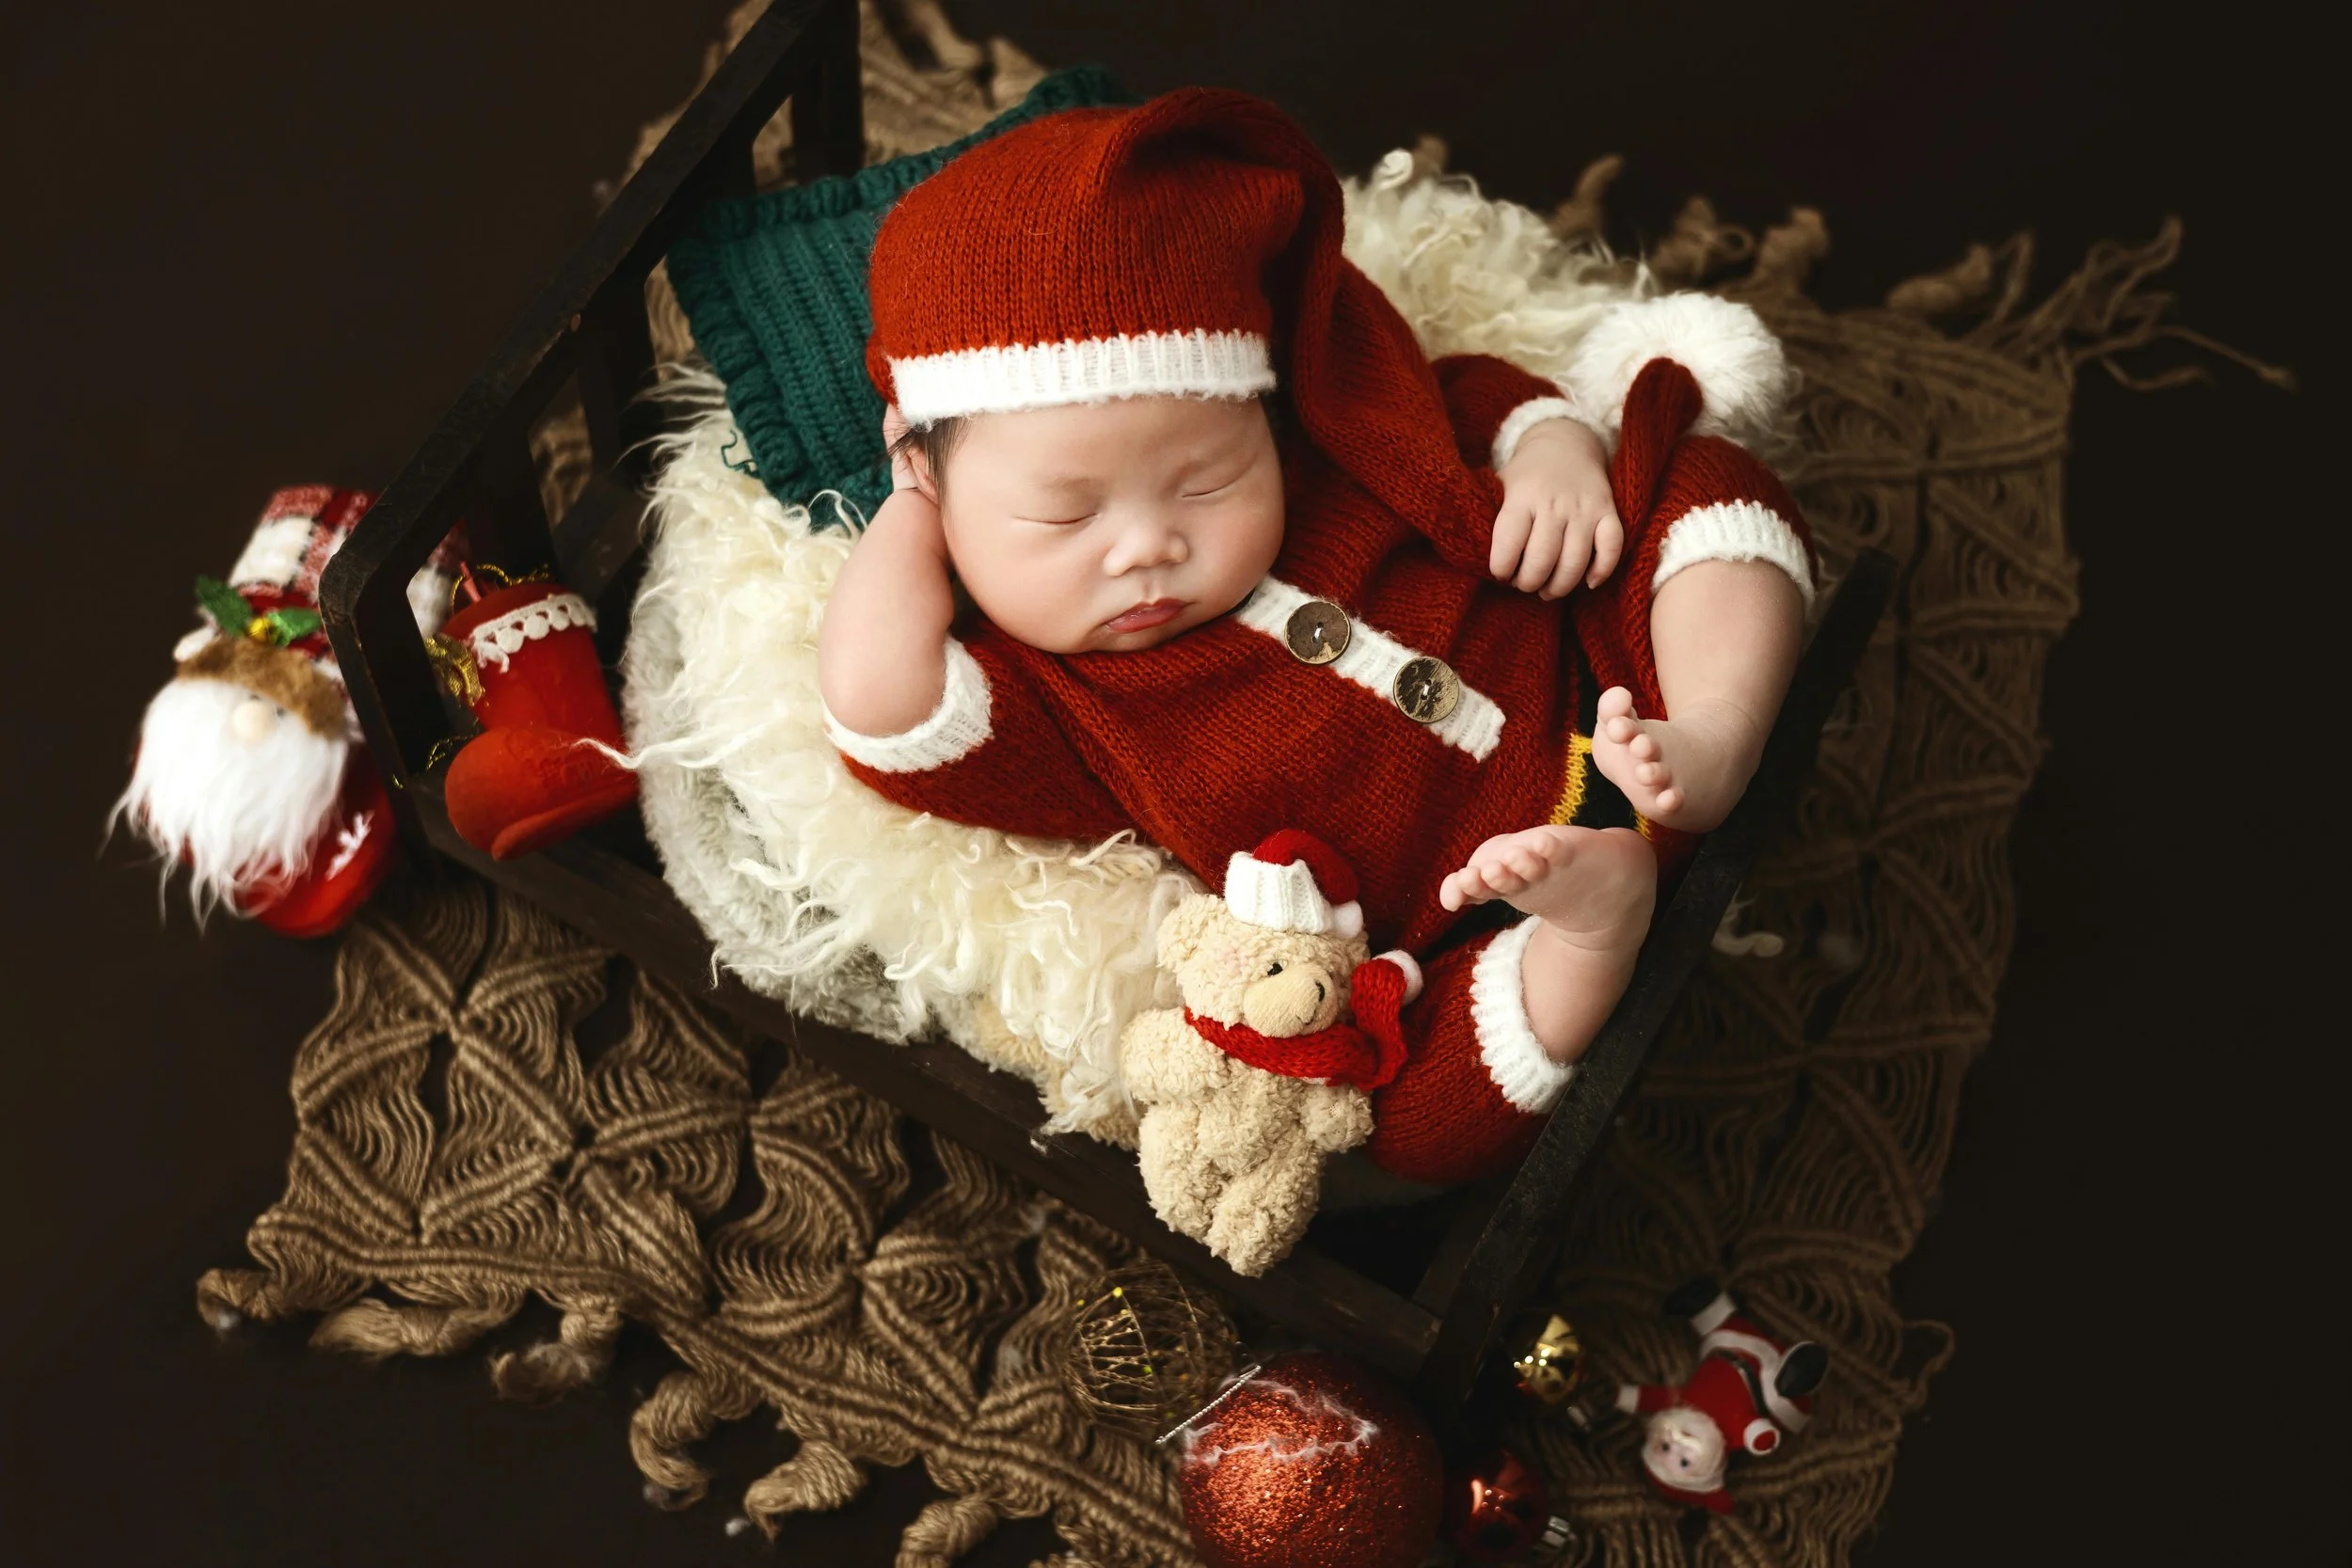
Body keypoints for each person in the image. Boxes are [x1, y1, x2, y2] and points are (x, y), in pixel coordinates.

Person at [817, 88, 1812, 1183]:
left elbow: (1472, 398)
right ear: (926, 467)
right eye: (1064, 514)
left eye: (1207, 479)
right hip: (1479, 919)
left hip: (1616, 669)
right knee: (1410, 1125)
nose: (1147, 546)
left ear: (1266, 413)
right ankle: (1596, 931)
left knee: (1709, 492)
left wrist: (1553, 454)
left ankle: (1718, 735)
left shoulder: (1339, 447)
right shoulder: (1056, 707)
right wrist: (914, 502)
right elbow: (878, 695)